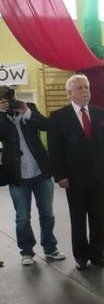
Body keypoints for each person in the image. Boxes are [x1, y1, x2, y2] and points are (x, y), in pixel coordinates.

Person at [48, 75, 104, 270]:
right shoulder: (58, 117)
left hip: (97, 175)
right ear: (69, 93)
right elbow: (55, 149)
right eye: (79, 88)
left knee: (99, 217)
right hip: (73, 178)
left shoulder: (100, 114)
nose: (85, 91)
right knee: (78, 218)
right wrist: (60, 175)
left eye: (86, 87)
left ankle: (98, 254)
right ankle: (81, 256)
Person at [0, 86, 65, 266]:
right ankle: (26, 252)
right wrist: (1, 114)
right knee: (22, 217)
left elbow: (47, 125)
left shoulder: (29, 107)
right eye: (4, 98)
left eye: (9, 97)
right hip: (17, 175)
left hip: (40, 172)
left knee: (47, 214)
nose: (9, 101)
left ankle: (50, 248)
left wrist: (27, 112)